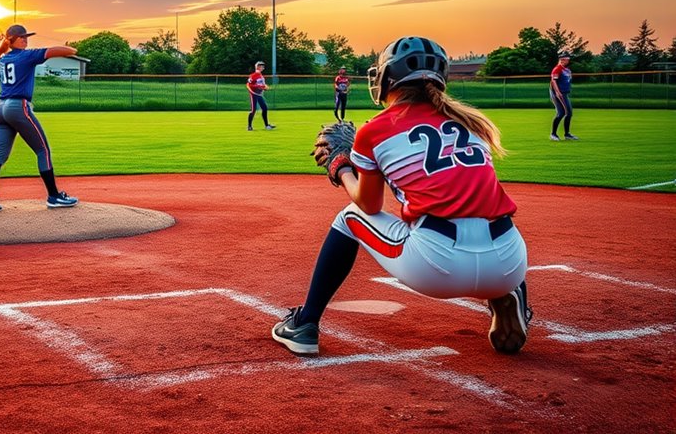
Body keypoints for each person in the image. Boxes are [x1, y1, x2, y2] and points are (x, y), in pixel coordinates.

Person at [272, 36, 533, 356]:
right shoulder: (471, 123)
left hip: (439, 267)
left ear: (387, 78)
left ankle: (305, 324)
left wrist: (341, 168)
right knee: (482, 208)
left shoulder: (375, 130)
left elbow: (369, 204)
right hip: (509, 262)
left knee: (349, 218)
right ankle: (507, 294)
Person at [0, 24, 79, 212]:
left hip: (0, 109)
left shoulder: (2, 60)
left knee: (0, 154)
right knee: (43, 150)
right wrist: (72, 50)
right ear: (12, 40)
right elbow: (64, 51)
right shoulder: (27, 55)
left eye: (26, 36)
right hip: (18, 107)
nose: (25, 39)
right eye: (21, 37)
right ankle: (54, 196)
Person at [549, 51, 578, 141]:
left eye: (567, 59)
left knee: (564, 113)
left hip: (564, 93)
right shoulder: (557, 69)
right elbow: (554, 81)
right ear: (561, 59)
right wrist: (557, 92)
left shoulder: (567, 70)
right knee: (565, 113)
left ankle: (566, 134)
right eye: (565, 59)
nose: (567, 60)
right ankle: (554, 134)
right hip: (559, 93)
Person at [247, 61, 275, 131]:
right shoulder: (253, 75)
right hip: (254, 94)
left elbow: (262, 85)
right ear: (258, 67)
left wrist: (265, 87)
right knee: (253, 110)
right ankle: (249, 126)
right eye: (262, 66)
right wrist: (260, 87)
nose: (263, 68)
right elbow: (249, 85)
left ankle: (267, 125)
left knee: (264, 108)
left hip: (259, 94)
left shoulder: (261, 75)